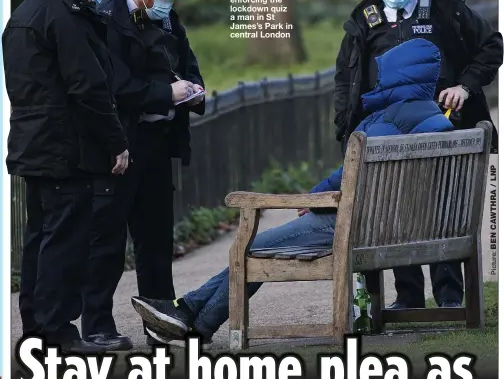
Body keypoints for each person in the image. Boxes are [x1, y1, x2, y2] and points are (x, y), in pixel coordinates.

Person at [130, 38, 455, 347]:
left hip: (361, 228)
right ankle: (192, 320)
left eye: (384, 72)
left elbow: (350, 175)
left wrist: (314, 198)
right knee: (255, 248)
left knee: (252, 246)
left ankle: (188, 314)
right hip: (402, 227)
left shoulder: (388, 120)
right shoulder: (433, 120)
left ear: (400, 75)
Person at [332, 0, 502, 310]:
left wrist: (465, 87)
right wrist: (345, 131)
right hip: (387, 133)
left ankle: (449, 296)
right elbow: (346, 80)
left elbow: (492, 45)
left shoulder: (445, 6)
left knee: (444, 209)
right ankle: (407, 297)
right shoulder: (365, 19)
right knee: (393, 209)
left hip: (442, 125)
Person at [3, 0, 128, 353]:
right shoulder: (65, 16)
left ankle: (37, 328)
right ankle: (56, 330)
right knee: (65, 240)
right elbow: (87, 87)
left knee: (39, 238)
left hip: (32, 140)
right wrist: (115, 142)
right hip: (65, 146)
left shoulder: (25, 12)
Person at [80, 0, 206, 350]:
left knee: (155, 243)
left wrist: (194, 91)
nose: (169, 1)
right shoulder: (106, 19)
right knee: (108, 241)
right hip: (120, 144)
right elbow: (113, 86)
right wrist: (165, 93)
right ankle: (97, 324)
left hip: (156, 144)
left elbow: (188, 63)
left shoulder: (167, 19)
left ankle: (160, 324)